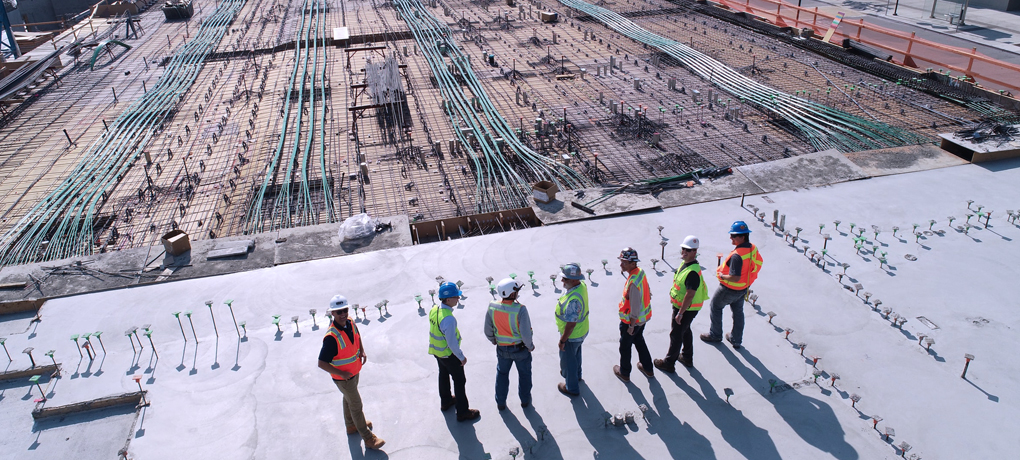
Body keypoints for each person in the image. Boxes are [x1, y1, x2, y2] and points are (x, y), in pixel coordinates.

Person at [317, 295, 385, 450]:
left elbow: (357, 336)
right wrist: (341, 374)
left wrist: (362, 350)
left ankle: (351, 425)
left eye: (345, 310)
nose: (343, 314)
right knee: (356, 404)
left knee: (348, 399)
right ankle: (368, 438)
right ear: (332, 313)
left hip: (354, 372)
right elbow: (321, 363)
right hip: (344, 379)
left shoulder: (351, 322)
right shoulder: (331, 337)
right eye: (338, 311)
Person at [701, 221, 764, 349]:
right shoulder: (752, 248)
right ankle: (736, 339)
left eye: (734, 236)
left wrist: (721, 276)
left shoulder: (737, 256)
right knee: (738, 312)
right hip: (744, 288)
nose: (731, 238)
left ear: (742, 237)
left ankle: (715, 334)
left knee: (715, 306)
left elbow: (735, 277)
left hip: (729, 289)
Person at [654, 236, 708, 372]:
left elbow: (690, 294)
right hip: (684, 307)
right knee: (685, 330)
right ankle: (687, 357)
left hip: (686, 309)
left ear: (695, 252)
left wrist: (680, 313)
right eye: (683, 249)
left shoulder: (692, 273)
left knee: (676, 334)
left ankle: (668, 363)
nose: (684, 252)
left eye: (688, 250)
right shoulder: (686, 264)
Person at [428, 282, 481, 422]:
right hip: (448, 354)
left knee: (443, 375)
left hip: (437, 351)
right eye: (456, 296)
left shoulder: (435, 309)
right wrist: (461, 357)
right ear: (448, 299)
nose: (458, 298)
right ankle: (463, 412)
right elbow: (451, 343)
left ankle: (445, 401)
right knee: (459, 381)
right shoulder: (449, 319)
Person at [484, 278, 535, 410]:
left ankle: (501, 402)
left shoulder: (492, 306)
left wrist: (493, 340)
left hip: (502, 349)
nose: (518, 293)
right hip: (520, 350)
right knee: (524, 375)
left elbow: (487, 329)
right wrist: (530, 346)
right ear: (511, 294)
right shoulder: (520, 310)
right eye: (516, 291)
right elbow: (525, 333)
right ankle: (525, 400)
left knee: (502, 375)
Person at [614, 248, 654, 382]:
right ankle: (648, 368)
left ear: (633, 263)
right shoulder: (640, 273)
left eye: (624, 262)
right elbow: (647, 289)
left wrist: (631, 325)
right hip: (642, 320)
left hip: (632, 322)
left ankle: (624, 372)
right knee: (639, 340)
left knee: (624, 346)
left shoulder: (633, 283)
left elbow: (635, 307)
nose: (621, 264)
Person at [555, 263, 589, 396]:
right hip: (581, 332)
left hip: (572, 335)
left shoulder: (573, 300)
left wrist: (562, 341)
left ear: (575, 280)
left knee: (568, 361)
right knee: (576, 355)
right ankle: (577, 376)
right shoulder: (581, 286)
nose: (562, 280)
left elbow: (570, 324)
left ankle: (571, 387)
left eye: (565, 279)